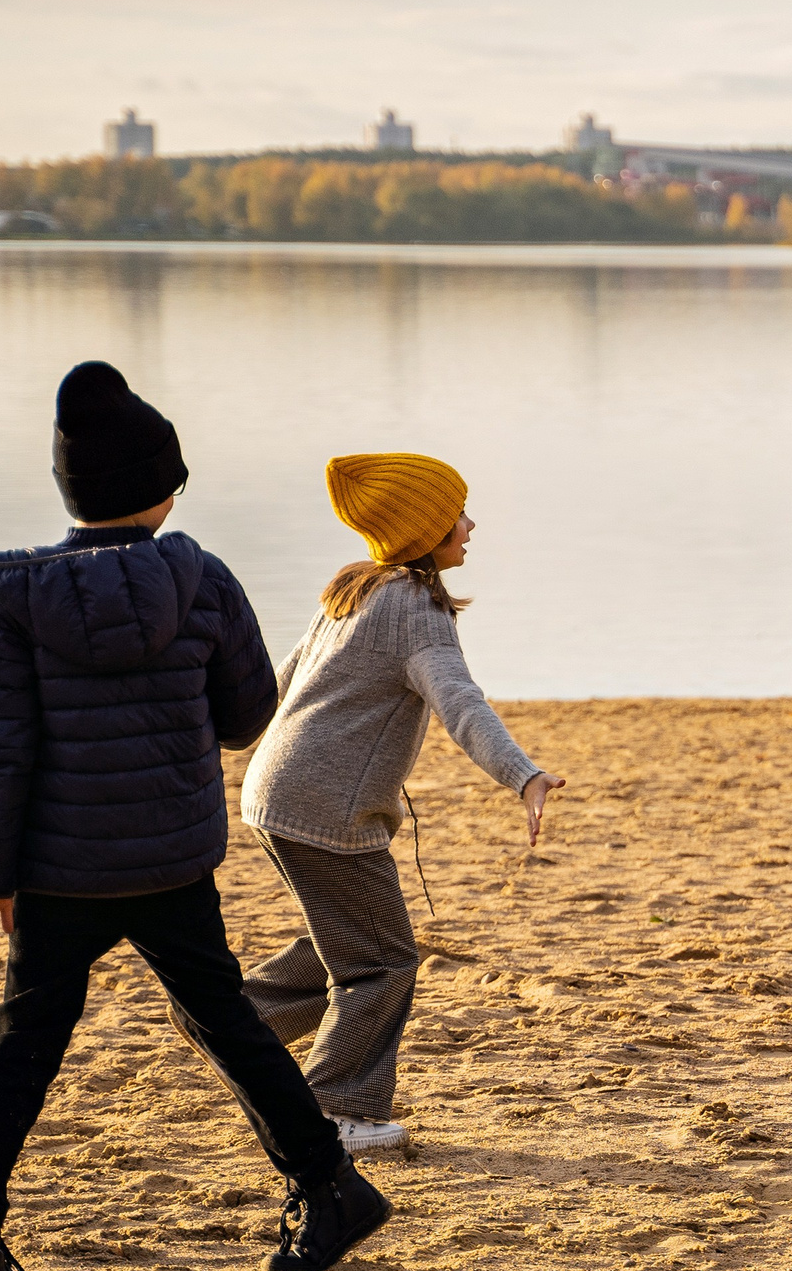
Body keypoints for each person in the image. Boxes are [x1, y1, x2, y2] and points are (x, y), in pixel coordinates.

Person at [0, 361, 390, 1271]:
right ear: (161, 488)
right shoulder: (201, 580)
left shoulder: (8, 596)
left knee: (22, 1045)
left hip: (58, 872)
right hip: (169, 860)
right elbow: (247, 715)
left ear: (71, 491)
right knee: (228, 1023)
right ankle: (331, 1184)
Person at [235, 453, 566, 1156]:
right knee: (383, 960)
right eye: (457, 515)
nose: (470, 525)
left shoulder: (353, 588)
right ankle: (334, 1111)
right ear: (423, 528)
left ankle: (234, 1020)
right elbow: (461, 704)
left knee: (350, 942)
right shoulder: (415, 608)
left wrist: (216, 749)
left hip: (273, 795)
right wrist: (524, 775)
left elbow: (274, 686)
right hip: (325, 811)